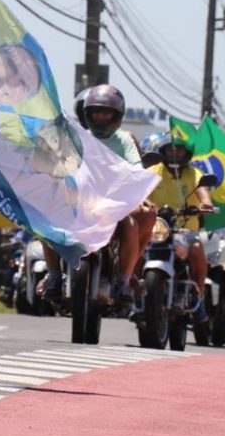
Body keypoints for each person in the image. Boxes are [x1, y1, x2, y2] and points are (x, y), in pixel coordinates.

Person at [38, 84, 155, 306]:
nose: (100, 117)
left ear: (117, 115)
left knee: (133, 224)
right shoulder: (75, 136)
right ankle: (53, 274)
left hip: (112, 204)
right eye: (96, 112)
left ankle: (124, 280)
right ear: (87, 114)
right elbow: (58, 164)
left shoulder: (124, 140)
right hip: (77, 200)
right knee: (47, 220)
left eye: (106, 112)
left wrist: (140, 192)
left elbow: (135, 168)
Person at [146, 136, 216, 325]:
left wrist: (206, 204)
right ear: (164, 152)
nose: (175, 153)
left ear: (186, 153)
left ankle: (198, 298)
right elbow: (141, 193)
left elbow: (204, 194)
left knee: (196, 248)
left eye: (179, 150)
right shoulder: (153, 171)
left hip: (185, 231)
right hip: (157, 230)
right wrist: (147, 204)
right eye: (170, 150)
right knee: (135, 249)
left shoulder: (194, 173)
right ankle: (133, 292)